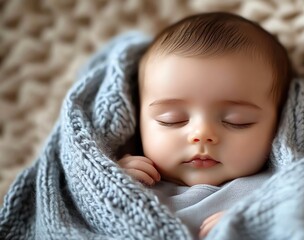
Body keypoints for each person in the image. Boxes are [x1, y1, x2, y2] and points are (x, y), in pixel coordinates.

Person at [117, 12, 294, 239]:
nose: (201, 134)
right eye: (172, 119)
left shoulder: (279, 191)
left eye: (237, 121)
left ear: (278, 123)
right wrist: (112, 180)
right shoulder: (134, 183)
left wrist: (260, 223)